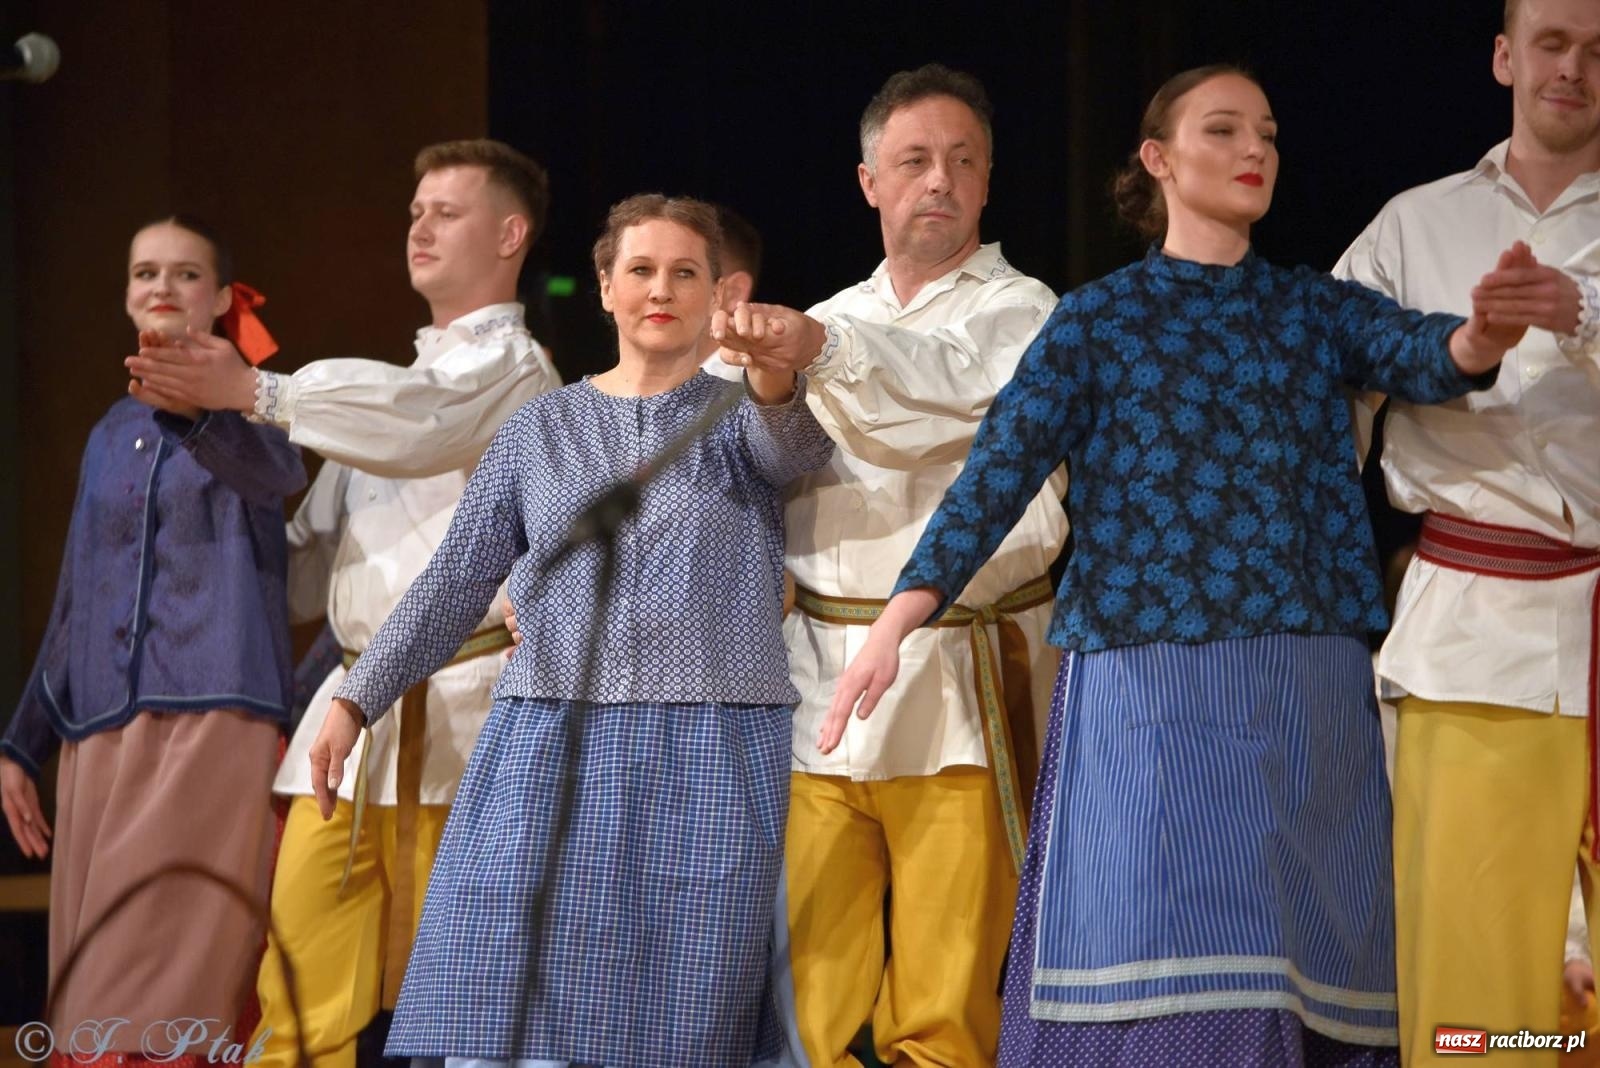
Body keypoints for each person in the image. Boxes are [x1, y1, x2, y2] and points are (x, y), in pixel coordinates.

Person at [824, 66, 1542, 1066]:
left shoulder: (1312, 309)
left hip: (1302, 675)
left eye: (1268, 134)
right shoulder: (1096, 322)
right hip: (1145, 678)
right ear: (1157, 159)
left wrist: (1483, 334)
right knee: (1163, 941)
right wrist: (893, 625)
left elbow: (1427, 353)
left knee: (1305, 944)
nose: (1255, 151)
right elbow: (994, 479)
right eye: (1223, 130)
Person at [308, 194, 832, 1067]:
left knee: (685, 1014)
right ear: (604, 288)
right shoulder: (538, 430)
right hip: (548, 740)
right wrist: (356, 699)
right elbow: (453, 583)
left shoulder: (741, 417)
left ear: (716, 295)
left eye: (684, 272)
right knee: (510, 995)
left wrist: (769, 374)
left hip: (708, 744)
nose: (660, 288)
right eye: (640, 269)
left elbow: (791, 449)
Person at [126, 139, 563, 1068]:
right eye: (414, 211)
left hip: (468, 719)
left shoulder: (519, 375)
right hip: (350, 720)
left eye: (447, 210)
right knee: (295, 1001)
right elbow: (300, 567)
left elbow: (423, 421)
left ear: (511, 233)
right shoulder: (379, 392)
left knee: (466, 1018)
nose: (420, 225)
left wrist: (253, 388)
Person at [711, 63, 1065, 1068]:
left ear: (989, 182)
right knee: (807, 1001)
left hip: (959, 684)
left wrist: (810, 351)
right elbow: (704, 455)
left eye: (962, 162)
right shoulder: (825, 316)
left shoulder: (1023, 312)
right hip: (820, 678)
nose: (938, 181)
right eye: (914, 161)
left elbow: (935, 393)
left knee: (942, 1008)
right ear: (869, 180)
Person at [1332, 1, 1600, 1060]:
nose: (1572, 68)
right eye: (1551, 43)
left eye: (1597, 52)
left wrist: (1575, 313)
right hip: (1465, 637)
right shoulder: (1413, 225)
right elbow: (1324, 393)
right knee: (1471, 989)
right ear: (1503, 57)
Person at [0, 217, 304, 1051]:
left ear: (218, 298)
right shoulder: (108, 434)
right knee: (85, 993)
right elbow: (75, 595)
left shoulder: (252, 403)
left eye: (185, 274)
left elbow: (281, 477)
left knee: (155, 991)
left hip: (210, 718)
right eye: (144, 273)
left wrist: (205, 411)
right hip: (99, 733)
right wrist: (22, 743)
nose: (161, 288)